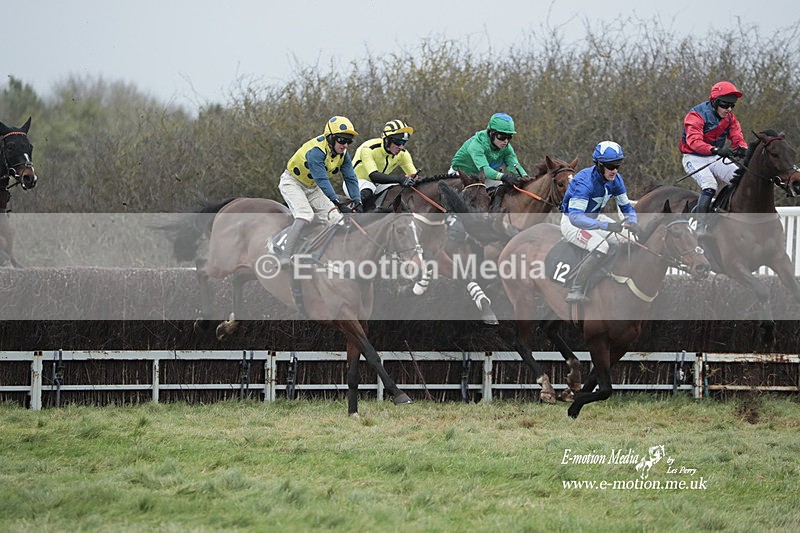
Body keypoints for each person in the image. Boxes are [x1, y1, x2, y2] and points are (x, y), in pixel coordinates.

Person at [560, 141, 639, 303]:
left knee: (630, 239)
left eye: (618, 165)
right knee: (601, 246)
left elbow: (626, 207)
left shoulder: (616, 180)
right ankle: (576, 288)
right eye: (611, 166)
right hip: (572, 222)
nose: (615, 170)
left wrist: (633, 221)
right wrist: (605, 226)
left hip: (595, 218)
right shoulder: (584, 181)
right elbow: (576, 218)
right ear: (599, 165)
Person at [278, 115, 361, 266]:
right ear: (331, 138)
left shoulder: (343, 154)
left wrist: (357, 200)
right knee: (305, 215)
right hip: (292, 183)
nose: (345, 145)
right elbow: (322, 180)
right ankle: (285, 254)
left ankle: (327, 257)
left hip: (312, 187)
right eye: (342, 140)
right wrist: (339, 203)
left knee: (337, 219)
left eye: (349, 141)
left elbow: (350, 177)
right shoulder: (316, 152)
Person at [680, 80, 748, 217]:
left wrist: (742, 148)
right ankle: (700, 225)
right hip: (694, 157)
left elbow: (737, 136)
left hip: (714, 156)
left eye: (732, 106)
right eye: (725, 105)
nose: (728, 109)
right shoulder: (696, 115)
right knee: (710, 185)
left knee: (742, 180)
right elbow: (694, 141)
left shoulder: (730, 118)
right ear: (715, 102)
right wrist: (715, 150)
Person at [344, 119, 419, 210]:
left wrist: (412, 180)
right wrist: (400, 178)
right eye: (398, 143)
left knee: (399, 189)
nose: (401, 147)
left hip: (378, 185)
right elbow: (374, 176)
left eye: (403, 143)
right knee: (368, 189)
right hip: (354, 182)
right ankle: (349, 213)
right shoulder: (368, 148)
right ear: (387, 140)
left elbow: (415, 177)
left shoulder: (403, 154)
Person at [450, 112, 528, 189]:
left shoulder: (506, 148)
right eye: (502, 136)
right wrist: (505, 177)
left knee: (501, 190)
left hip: (482, 177)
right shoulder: (477, 144)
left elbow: (514, 165)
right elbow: (485, 170)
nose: (505, 141)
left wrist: (524, 176)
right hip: (460, 176)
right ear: (491, 133)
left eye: (509, 137)